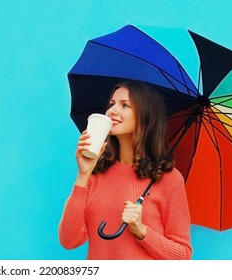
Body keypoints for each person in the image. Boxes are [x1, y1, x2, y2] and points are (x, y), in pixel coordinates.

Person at [58, 81, 192, 260]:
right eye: (112, 104)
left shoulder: (169, 178)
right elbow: (69, 240)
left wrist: (142, 231)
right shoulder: (95, 171)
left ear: (145, 116)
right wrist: (83, 175)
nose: (112, 111)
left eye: (125, 105)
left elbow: (183, 255)